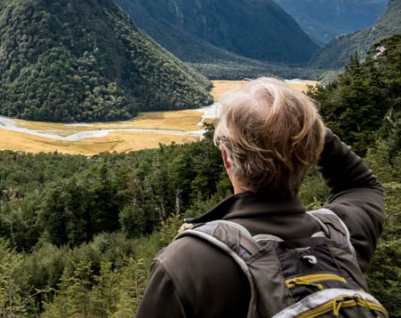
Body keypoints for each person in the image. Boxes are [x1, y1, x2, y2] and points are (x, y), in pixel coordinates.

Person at [134, 77, 385, 318]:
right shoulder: (341, 237)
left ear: (226, 158)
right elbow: (361, 185)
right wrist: (305, 131)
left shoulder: (185, 263)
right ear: (310, 153)